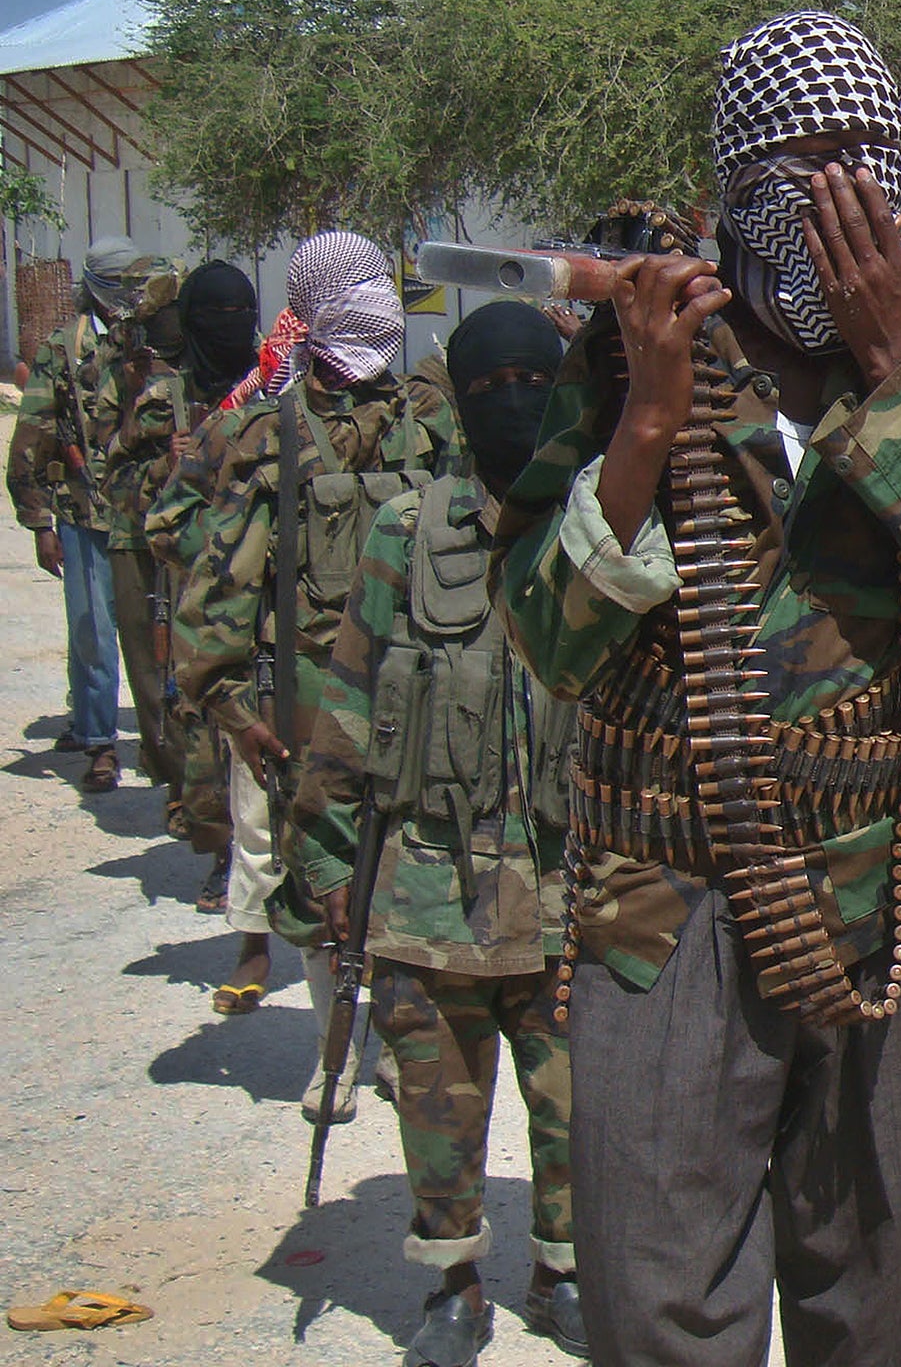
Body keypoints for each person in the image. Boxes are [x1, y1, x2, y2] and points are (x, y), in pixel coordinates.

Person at [492, 10, 901, 1367]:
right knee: (663, 1303)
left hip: (883, 903)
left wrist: (889, 377)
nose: (843, 193)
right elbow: (546, 643)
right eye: (807, 159)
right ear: (737, 173)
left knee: (873, 1296)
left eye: (873, 158)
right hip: (669, 900)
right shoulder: (639, 348)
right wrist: (646, 416)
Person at [293, 301, 583, 1367]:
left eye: (530, 383)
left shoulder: (598, 519)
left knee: (576, 1112)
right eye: (488, 386)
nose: (511, 402)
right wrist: (324, 862)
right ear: (456, 402)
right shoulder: (404, 531)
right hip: (427, 883)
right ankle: (452, 1284)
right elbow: (351, 697)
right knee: (438, 1113)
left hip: (568, 887)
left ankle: (562, 1276)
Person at [171, 232, 459, 1105]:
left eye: (380, 287)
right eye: (359, 290)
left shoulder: (428, 419)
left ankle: (391, 1038)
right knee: (314, 873)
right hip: (304, 700)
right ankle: (335, 1044)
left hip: (420, 689)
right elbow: (209, 568)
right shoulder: (261, 430)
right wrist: (234, 713)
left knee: (414, 863)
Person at [110, 260, 258, 903]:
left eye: (238, 315)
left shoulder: (271, 384)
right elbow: (116, 487)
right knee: (200, 718)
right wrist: (167, 469)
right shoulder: (162, 396)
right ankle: (222, 851)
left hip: (265, 575)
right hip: (193, 579)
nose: (228, 328)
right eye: (214, 317)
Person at [7, 238, 176, 792]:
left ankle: (167, 738)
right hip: (87, 512)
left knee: (162, 627)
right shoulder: (67, 348)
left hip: (157, 512)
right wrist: (38, 523)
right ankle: (100, 740)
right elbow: (33, 431)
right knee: (93, 632)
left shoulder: (167, 339)